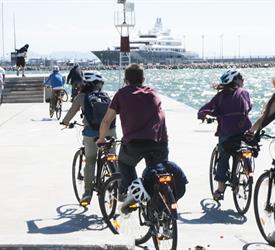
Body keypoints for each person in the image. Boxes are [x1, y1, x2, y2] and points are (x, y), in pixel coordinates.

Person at [96, 63, 169, 199]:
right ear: (143, 79)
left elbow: (106, 121)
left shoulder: (122, 94)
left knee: (124, 164)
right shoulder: (153, 92)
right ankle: (158, 208)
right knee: (157, 173)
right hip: (159, 142)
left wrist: (101, 139)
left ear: (125, 80)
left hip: (134, 143)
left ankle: (133, 195)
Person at [61, 72, 116, 205]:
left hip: (91, 134)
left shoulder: (81, 97)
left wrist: (65, 122)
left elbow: (72, 111)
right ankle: (118, 186)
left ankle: (87, 193)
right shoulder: (106, 96)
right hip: (110, 132)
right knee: (113, 159)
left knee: (90, 161)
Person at [197, 68, 252, 201]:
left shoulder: (220, 96)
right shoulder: (244, 92)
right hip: (244, 132)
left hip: (226, 133)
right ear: (236, 81)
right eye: (241, 78)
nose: (243, 81)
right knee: (246, 149)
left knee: (223, 157)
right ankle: (247, 171)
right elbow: (248, 107)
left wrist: (204, 115)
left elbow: (205, 109)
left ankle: (220, 190)